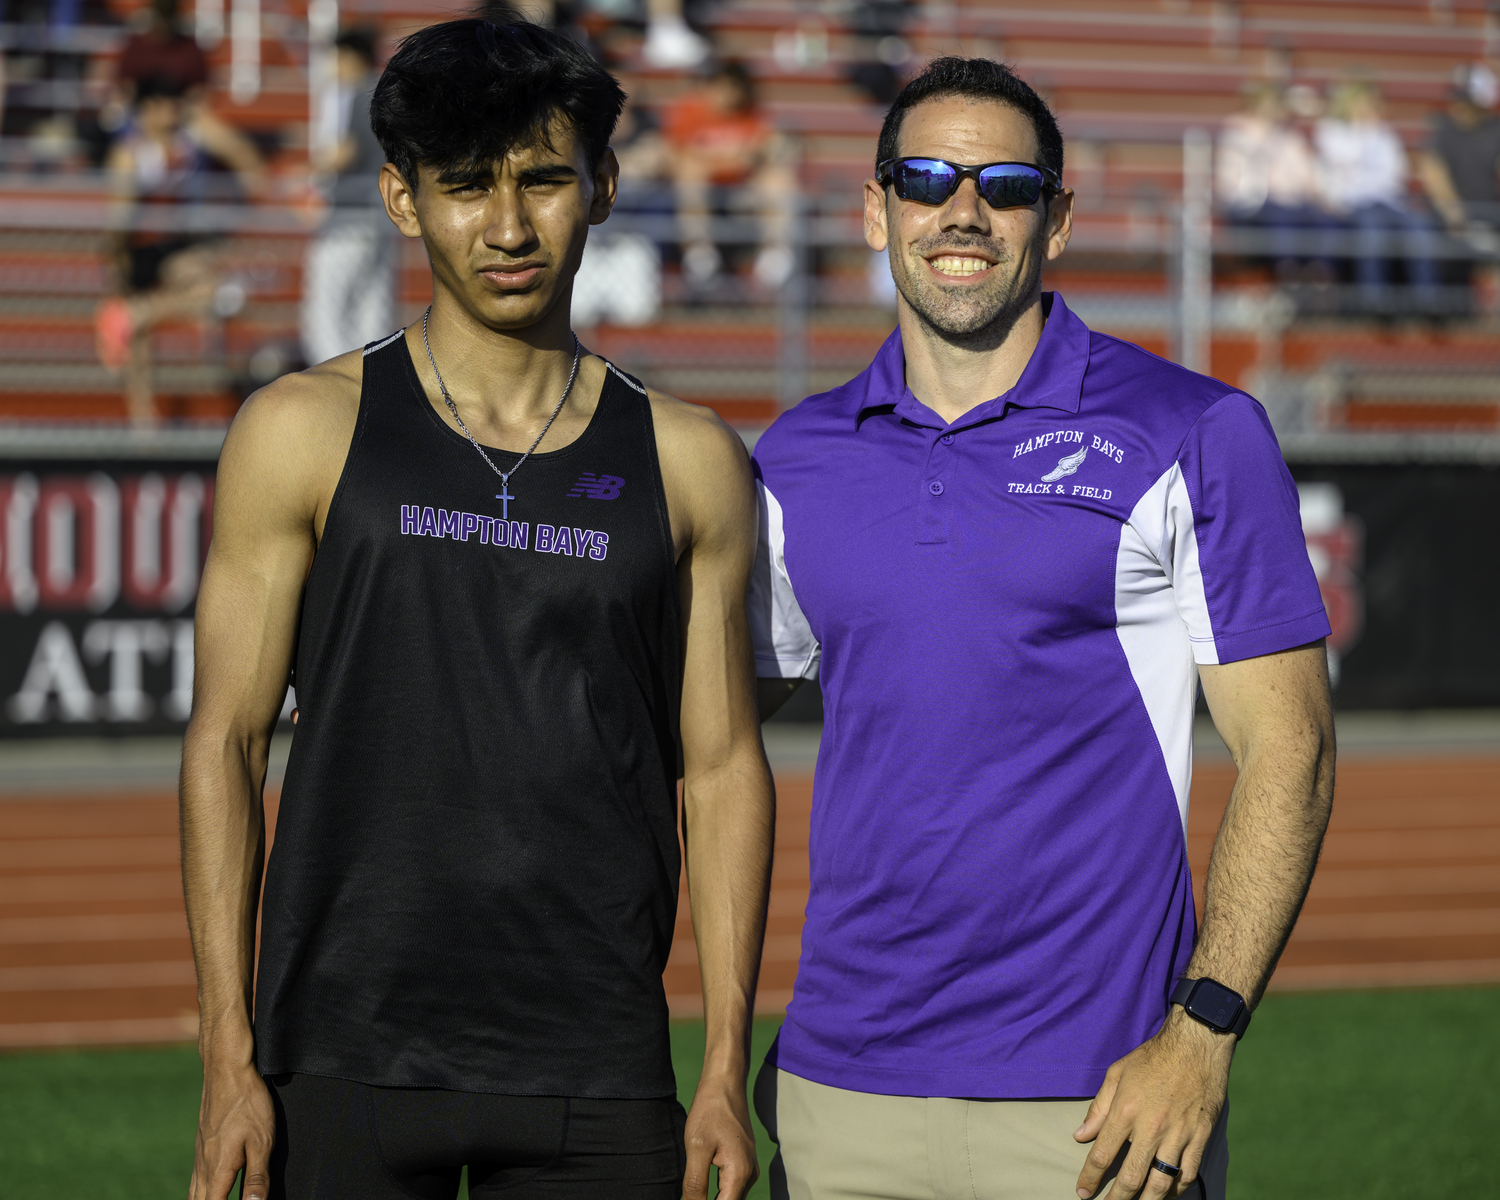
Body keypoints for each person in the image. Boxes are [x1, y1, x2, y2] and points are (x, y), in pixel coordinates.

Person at [180, 19, 773, 1200]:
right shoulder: (298, 430)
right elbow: (225, 744)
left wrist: (719, 1067)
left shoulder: (693, 459)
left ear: (603, 186)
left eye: (544, 180)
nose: (507, 229)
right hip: (336, 1055)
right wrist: (226, 1056)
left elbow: (720, 770)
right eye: (465, 188)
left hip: (596, 1066)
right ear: (403, 200)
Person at [749, 56, 1335, 1200]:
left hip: (1099, 1105)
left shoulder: (1197, 429)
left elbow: (1293, 751)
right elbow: (687, 729)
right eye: (925, 179)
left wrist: (1203, 1033)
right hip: (837, 1092)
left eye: (1005, 185)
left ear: (1054, 219)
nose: (962, 210)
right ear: (877, 211)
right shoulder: (796, 457)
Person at [97, 75, 262, 424]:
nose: (173, 112)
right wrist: (116, 262)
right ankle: (143, 425)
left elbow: (244, 155)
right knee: (139, 347)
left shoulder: (191, 134)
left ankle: (135, 313)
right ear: (147, 110)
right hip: (140, 248)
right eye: (165, 105)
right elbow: (121, 216)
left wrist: (244, 196)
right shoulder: (130, 153)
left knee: (215, 292)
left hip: (175, 245)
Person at [300, 27, 395, 366]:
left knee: (325, 310)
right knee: (371, 309)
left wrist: (307, 168)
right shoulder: (388, 95)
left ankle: (335, 383)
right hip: (380, 216)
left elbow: (346, 153)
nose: (331, 65)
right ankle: (372, 380)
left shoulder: (357, 94)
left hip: (349, 216)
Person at [661, 61, 797, 288]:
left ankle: (776, 253)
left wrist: (730, 159)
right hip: (701, 193)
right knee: (691, 174)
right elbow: (677, 158)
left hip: (740, 193)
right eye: (725, 87)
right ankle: (699, 252)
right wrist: (731, 160)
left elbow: (769, 148)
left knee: (778, 178)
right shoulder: (690, 111)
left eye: (737, 88)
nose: (731, 94)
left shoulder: (751, 113)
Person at [1315, 79, 1439, 314]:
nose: (1369, 109)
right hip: (1353, 205)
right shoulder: (1331, 132)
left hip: (1388, 202)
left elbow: (1394, 175)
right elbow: (1336, 173)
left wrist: (1361, 169)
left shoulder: (1385, 135)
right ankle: (1374, 299)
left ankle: (1428, 299)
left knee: (1420, 227)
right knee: (1373, 231)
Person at [1216, 83, 1331, 282]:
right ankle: (1288, 276)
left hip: (1292, 202)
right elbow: (1233, 182)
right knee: (1281, 217)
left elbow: (1305, 177)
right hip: (1253, 204)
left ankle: (1321, 277)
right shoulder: (1238, 136)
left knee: (1327, 221)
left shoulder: (1290, 137)